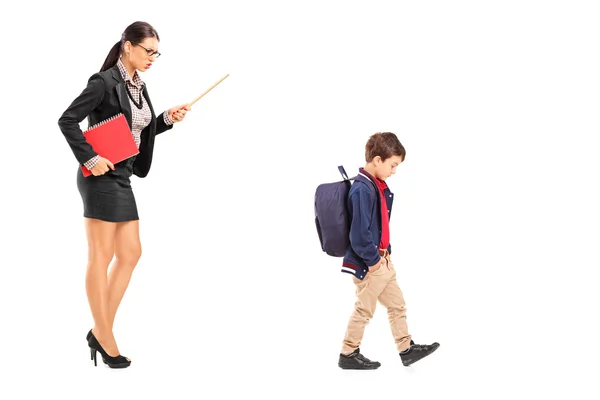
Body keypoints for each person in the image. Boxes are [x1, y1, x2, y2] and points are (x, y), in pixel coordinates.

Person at [58, 21, 191, 368]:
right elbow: (68, 120)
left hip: (123, 176)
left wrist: (165, 119)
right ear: (128, 46)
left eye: (156, 53)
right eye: (148, 51)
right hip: (99, 176)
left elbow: (138, 129)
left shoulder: (138, 86)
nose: (152, 58)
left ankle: (99, 331)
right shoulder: (103, 82)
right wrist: (89, 157)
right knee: (101, 256)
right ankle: (105, 337)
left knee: (131, 253)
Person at [338, 132, 440, 369]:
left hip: (383, 259)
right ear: (377, 160)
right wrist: (374, 262)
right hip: (370, 263)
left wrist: (386, 254)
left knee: (397, 304)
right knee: (364, 309)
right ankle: (348, 353)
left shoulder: (376, 185)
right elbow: (359, 235)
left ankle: (406, 349)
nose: (394, 171)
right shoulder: (362, 189)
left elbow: (379, 223)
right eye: (392, 165)